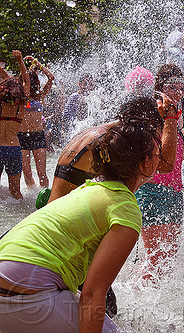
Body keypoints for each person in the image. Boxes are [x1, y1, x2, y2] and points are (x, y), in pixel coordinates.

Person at [0, 121, 161, 333]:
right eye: (158, 152)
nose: (162, 157)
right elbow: (93, 294)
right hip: (25, 294)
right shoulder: (125, 207)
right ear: (147, 163)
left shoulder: (88, 187)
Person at [135, 64, 184, 281]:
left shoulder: (174, 118)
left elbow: (175, 158)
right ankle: (136, 302)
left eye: (182, 88)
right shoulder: (152, 116)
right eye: (172, 87)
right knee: (154, 258)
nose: (178, 93)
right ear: (160, 88)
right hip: (151, 192)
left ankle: (151, 302)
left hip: (174, 194)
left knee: (167, 259)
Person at [48, 96, 178, 203]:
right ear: (145, 125)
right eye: (153, 135)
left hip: (52, 217)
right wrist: (170, 117)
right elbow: (165, 164)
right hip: (66, 227)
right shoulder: (111, 141)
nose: (150, 142)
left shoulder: (94, 132)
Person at [17, 57, 54, 188]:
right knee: (27, 173)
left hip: (38, 136)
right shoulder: (20, 98)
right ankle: (32, 195)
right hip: (21, 137)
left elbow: (51, 78)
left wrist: (38, 65)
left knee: (42, 173)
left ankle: (44, 196)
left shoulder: (41, 96)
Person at [0, 50, 30, 200]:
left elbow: (7, 82)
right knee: (16, 191)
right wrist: (20, 61)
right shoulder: (21, 105)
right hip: (13, 148)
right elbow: (26, 81)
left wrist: (1, 70)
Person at [61, 73, 96, 142]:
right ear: (79, 84)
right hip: (75, 131)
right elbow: (66, 115)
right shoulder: (74, 97)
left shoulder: (93, 98)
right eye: (85, 84)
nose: (88, 87)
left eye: (90, 84)